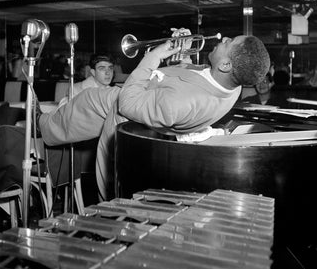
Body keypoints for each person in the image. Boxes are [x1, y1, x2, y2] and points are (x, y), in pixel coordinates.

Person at [38, 33, 270, 200]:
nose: (223, 39)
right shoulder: (231, 87)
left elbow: (127, 103)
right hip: (141, 100)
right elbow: (191, 81)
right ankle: (43, 125)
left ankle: (38, 125)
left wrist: (155, 56)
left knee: (66, 117)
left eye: (229, 43)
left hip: (124, 114)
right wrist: (184, 55)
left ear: (227, 64)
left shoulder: (180, 103)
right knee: (79, 106)